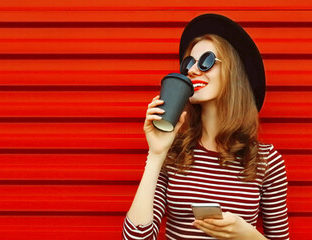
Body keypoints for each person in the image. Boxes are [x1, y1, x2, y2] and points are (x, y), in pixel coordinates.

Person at [122, 14, 289, 240]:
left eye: (207, 61)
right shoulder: (172, 150)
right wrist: (156, 154)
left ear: (233, 72)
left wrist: (248, 236)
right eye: (188, 63)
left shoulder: (267, 161)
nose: (192, 71)